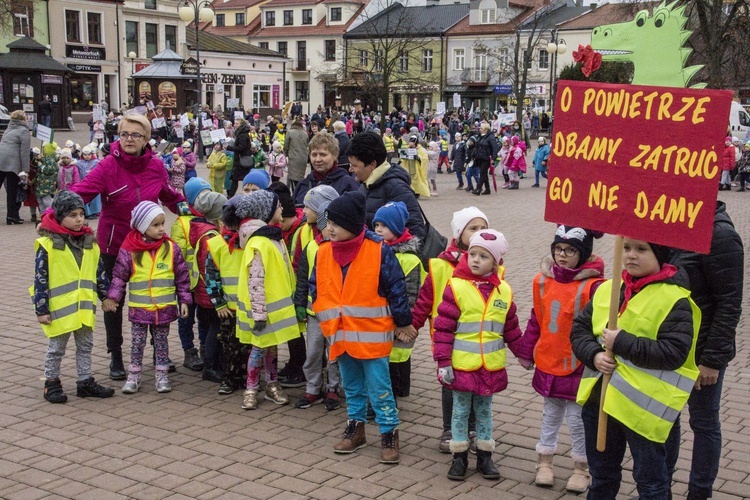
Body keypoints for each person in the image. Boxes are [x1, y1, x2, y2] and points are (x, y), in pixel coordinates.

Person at [571, 239, 700, 499]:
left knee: (651, 483)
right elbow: (579, 330)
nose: (631, 256)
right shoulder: (607, 289)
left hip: (644, 412)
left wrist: (622, 342)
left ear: (660, 254)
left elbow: (674, 352)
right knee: (602, 477)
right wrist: (594, 355)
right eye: (627, 248)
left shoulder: (675, 299)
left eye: (642, 250)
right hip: (601, 402)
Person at [71, 113, 186, 381]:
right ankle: (116, 356)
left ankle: (159, 352)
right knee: (114, 301)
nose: (128, 139)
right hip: (114, 245)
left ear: (147, 139)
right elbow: (81, 193)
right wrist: (52, 214)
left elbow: (168, 194)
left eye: (135, 135)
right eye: (123, 134)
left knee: (153, 295)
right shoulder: (107, 166)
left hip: (149, 245)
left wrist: (191, 210)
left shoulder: (156, 166)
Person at [310, 191, 416, 464]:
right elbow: (316, 287)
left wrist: (403, 320)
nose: (329, 228)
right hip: (340, 333)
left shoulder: (378, 250)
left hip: (372, 336)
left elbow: (396, 289)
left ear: (354, 225)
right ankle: (356, 428)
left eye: (335, 223)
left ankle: (389, 432)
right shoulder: (323, 252)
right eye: (328, 223)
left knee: (380, 388)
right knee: (352, 386)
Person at [517, 226, 605, 493]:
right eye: (558, 249)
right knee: (550, 414)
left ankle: (581, 466)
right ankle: (544, 461)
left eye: (570, 251)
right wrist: (525, 349)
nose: (562, 256)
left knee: (578, 420)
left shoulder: (595, 286)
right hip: (548, 359)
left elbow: (602, 325)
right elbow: (537, 318)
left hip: (580, 363)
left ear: (583, 253)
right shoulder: (542, 281)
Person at [433, 229, 523, 481]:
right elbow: (443, 328)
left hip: (489, 366)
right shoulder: (456, 286)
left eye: (483, 256)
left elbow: (511, 327)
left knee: (484, 412)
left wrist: (524, 354)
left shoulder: (504, 290)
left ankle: (485, 456)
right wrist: (443, 361)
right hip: (461, 365)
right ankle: (459, 456)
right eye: (472, 254)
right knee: (460, 411)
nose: (475, 260)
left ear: (495, 262)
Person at [668, 201, 743, 500]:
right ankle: (660, 487)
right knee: (664, 418)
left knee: (703, 422)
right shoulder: (669, 222)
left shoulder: (720, 234)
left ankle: (699, 493)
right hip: (668, 346)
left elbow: (729, 304)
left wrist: (711, 360)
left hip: (702, 352)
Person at [412, 206, 490, 452]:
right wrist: (412, 325)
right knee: (450, 383)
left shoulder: (493, 264)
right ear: (459, 233)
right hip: (447, 337)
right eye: (473, 228)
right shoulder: (440, 265)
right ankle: (450, 428)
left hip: (479, 339)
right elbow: (425, 299)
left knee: (477, 382)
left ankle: (475, 428)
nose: (479, 232)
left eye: (483, 228)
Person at [103, 201, 192, 394]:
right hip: (140, 308)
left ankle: (162, 374)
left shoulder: (170, 248)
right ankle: (134, 375)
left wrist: (184, 299)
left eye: (162, 224)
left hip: (163, 308)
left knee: (161, 342)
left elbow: (182, 276)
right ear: (142, 227)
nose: (161, 229)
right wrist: (113, 298)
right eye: (156, 225)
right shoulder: (129, 250)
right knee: (137, 342)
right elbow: (119, 276)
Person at [33, 191, 115, 403]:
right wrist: (41, 309)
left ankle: (85, 381)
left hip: (84, 307)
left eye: (81, 214)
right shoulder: (48, 245)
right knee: (57, 348)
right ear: (60, 217)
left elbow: (99, 273)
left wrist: (106, 296)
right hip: (60, 308)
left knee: (85, 345)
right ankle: (51, 382)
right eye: (72, 215)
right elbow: (40, 278)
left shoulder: (90, 242)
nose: (79, 219)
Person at [235, 190, 300, 410]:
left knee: (272, 348)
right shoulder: (260, 243)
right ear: (267, 212)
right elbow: (256, 280)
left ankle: (272, 385)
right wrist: (259, 312)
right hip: (261, 311)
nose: (282, 209)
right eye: (279, 206)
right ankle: (251, 388)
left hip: (274, 308)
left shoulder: (274, 237)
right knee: (258, 349)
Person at [294, 186, 342, 410]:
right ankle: (313, 387)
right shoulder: (311, 248)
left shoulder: (341, 249)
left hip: (335, 313)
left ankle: (333, 388)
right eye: (327, 227)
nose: (329, 231)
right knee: (313, 352)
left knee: (334, 353)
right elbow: (302, 278)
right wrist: (300, 304)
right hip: (314, 313)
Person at [373, 201, 424, 399]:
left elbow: (412, 294)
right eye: (376, 225)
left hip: (400, 317)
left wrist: (404, 321)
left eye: (383, 226)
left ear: (396, 228)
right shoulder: (377, 251)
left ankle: (395, 394)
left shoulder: (410, 259)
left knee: (399, 355)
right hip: (381, 316)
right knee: (387, 357)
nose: (378, 230)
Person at [205, 195, 251, 395]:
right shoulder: (217, 246)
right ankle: (230, 378)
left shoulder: (253, 243)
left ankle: (248, 377)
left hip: (250, 306)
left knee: (249, 346)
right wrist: (219, 304)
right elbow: (211, 277)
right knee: (230, 346)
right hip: (229, 309)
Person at [346, 132, 426, 243]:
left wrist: (388, 256)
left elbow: (416, 231)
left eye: (354, 165)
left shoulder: (396, 187)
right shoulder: (366, 184)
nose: (350, 169)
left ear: (372, 164)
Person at [190, 191, 228, 383]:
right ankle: (211, 366)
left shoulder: (199, 229)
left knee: (211, 327)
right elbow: (211, 267)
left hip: (202, 291)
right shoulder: (210, 236)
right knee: (216, 328)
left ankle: (212, 362)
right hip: (210, 291)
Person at [292, 131, 360, 206]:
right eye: (314, 155)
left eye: (323, 155)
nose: (318, 159)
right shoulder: (303, 184)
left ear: (335, 155)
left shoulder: (347, 184)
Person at [0, 110, 31, 224]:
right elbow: (25, 152)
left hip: (1, 160)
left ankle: (11, 216)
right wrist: (25, 170)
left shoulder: (9, 128)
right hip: (13, 163)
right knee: (12, 191)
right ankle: (11, 216)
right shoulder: (24, 131)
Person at [226, 121, 253, 197]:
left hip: (242, 161)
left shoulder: (242, 135)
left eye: (237, 123)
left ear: (241, 125)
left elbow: (242, 148)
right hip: (242, 160)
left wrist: (229, 147)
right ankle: (233, 195)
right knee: (237, 179)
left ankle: (233, 196)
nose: (234, 125)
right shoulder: (242, 134)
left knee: (237, 179)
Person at [400, 134, 430, 199]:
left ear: (414, 142)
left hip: (416, 168)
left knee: (417, 180)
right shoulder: (407, 148)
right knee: (409, 180)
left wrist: (418, 157)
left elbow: (424, 157)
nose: (409, 143)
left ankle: (417, 192)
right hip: (409, 167)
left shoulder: (420, 149)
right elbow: (402, 158)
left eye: (411, 142)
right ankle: (411, 192)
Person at [472, 122, 498, 196]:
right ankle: (487, 188)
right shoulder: (480, 136)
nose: (480, 129)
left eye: (481, 128)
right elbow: (476, 146)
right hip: (479, 157)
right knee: (484, 174)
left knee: (482, 173)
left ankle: (478, 188)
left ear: (486, 129)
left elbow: (494, 148)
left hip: (487, 157)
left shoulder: (491, 137)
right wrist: (474, 155)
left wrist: (493, 158)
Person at [284, 118, 309, 191]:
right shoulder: (305, 134)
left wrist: (286, 154)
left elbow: (286, 146)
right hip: (303, 158)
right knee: (300, 177)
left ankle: (294, 194)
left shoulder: (290, 132)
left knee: (293, 177)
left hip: (293, 158)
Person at [77, 146, 101, 218]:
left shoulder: (96, 162)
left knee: (94, 199)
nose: (87, 156)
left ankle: (94, 212)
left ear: (91, 154)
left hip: (94, 183)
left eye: (88, 155)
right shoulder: (79, 163)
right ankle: (87, 213)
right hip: (83, 183)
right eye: (85, 155)